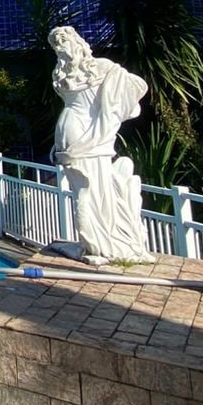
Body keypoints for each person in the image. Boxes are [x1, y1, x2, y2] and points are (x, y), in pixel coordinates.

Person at [48, 25, 149, 263]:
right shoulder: (60, 72)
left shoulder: (103, 67)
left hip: (93, 135)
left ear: (77, 42)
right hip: (70, 134)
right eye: (56, 44)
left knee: (95, 187)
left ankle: (105, 242)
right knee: (82, 190)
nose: (60, 47)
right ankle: (93, 242)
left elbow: (136, 87)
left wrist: (109, 116)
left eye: (63, 41)